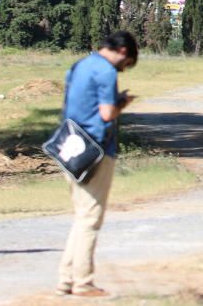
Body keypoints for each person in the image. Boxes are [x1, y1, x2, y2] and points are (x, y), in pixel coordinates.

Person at [56, 31, 138, 298]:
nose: (122, 69)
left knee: (82, 215)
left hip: (69, 146)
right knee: (91, 217)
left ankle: (66, 279)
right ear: (123, 51)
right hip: (96, 150)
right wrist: (121, 103)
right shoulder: (106, 71)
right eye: (126, 64)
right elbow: (106, 112)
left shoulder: (79, 66)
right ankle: (83, 282)